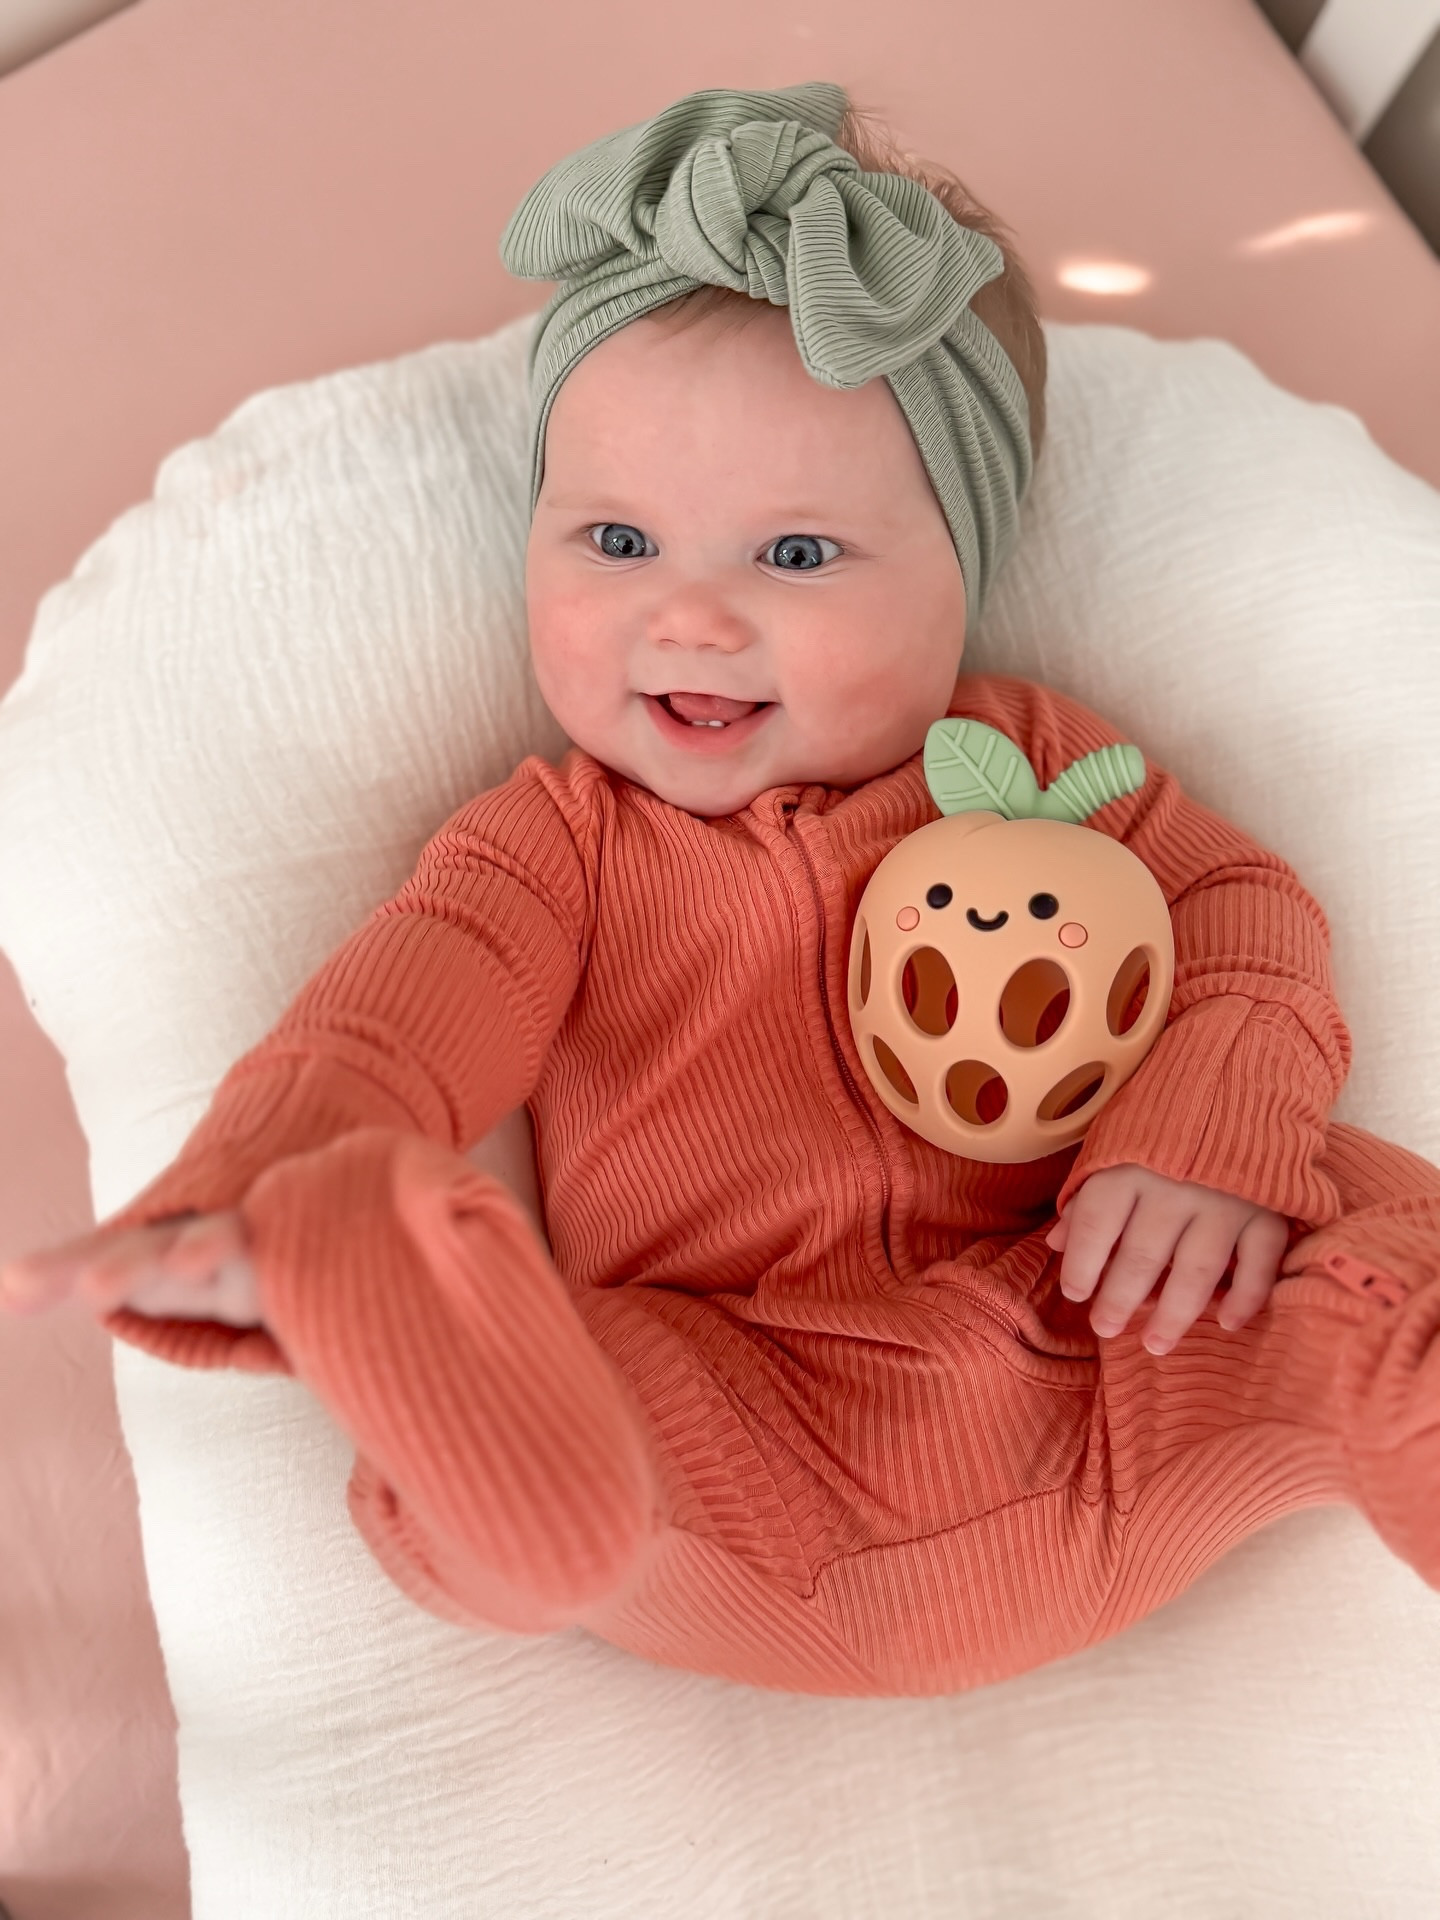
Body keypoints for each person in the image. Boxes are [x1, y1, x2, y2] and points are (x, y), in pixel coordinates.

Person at [3, 82, 1438, 1697]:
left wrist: (1203, 1138)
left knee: (1371, 1252)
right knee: (557, 1390)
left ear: (965, 575)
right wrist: (258, 1186)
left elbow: (1246, 919)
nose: (687, 619)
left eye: (798, 557)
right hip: (741, 1429)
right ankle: (455, 1396)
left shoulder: (1046, 762)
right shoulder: (554, 849)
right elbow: (394, 1029)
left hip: (1114, 1343)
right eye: (615, 540)